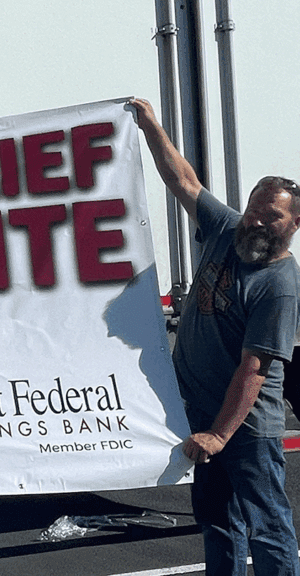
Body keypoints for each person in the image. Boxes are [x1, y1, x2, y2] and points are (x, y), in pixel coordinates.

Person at [132, 97, 300, 576]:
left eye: (273, 216)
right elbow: (183, 180)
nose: (259, 221)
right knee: (218, 522)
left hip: (244, 427)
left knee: (267, 526)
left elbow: (255, 369)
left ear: (294, 224)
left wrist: (219, 434)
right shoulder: (227, 230)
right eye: (254, 210)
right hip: (202, 413)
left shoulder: (279, 284)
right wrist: (149, 125)